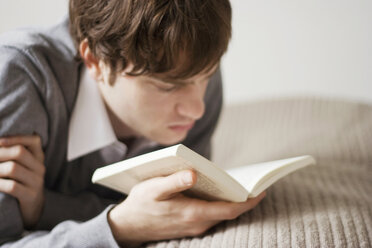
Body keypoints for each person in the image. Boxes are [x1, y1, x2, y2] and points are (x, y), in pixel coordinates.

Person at [0, 0, 265, 247]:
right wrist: (119, 226)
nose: (197, 109)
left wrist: (45, 209)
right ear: (95, 61)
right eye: (167, 87)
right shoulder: (18, 77)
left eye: (205, 76)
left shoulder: (197, 71)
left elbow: (169, 208)